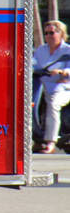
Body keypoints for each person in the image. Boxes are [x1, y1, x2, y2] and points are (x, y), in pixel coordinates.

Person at [33, 20, 70, 152]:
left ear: (61, 34)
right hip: (42, 86)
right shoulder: (41, 50)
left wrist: (62, 72)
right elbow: (33, 64)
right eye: (46, 33)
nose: (48, 36)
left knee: (53, 103)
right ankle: (36, 138)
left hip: (62, 88)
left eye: (52, 33)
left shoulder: (67, 51)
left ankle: (51, 142)